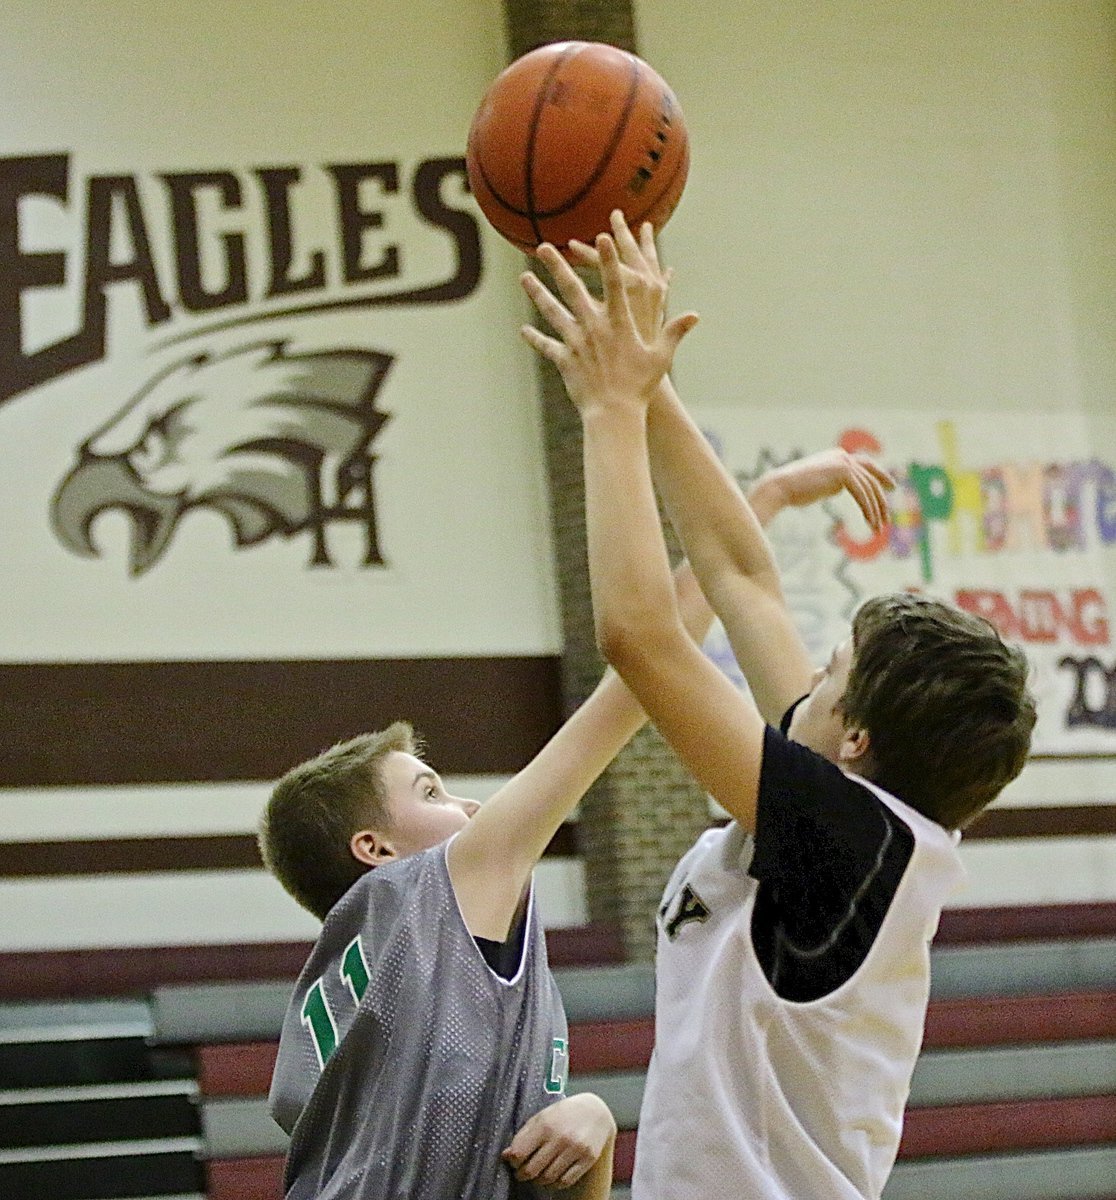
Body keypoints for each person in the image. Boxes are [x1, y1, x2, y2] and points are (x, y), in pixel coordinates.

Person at [519, 214, 1036, 1200]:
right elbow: (741, 578)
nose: (806, 670)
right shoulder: (853, 821)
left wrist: (608, 412)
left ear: (856, 739)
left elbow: (637, 630)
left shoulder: (848, 842)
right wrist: (652, 376)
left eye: (832, 668)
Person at [256, 444, 877, 1200]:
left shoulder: (373, 988)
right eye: (431, 793)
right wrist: (763, 504)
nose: (472, 809)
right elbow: (639, 675)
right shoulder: (433, 893)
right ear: (375, 848)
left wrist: (589, 1127)